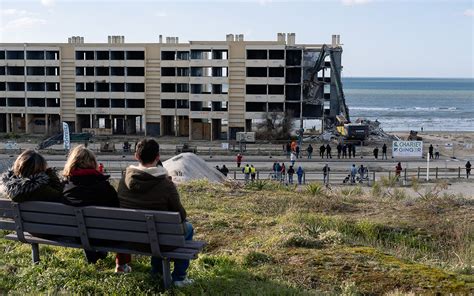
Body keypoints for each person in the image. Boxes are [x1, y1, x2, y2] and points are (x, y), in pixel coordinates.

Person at [117, 139, 194, 287]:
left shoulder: (123, 180)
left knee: (157, 230)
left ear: (136, 156)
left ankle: (157, 272)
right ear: (158, 157)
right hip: (158, 240)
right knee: (188, 228)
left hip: (129, 239)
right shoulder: (166, 185)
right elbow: (181, 215)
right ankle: (179, 277)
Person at [62, 145, 121, 266]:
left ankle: (93, 256)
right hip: (104, 237)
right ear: (93, 163)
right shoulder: (105, 188)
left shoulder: (66, 188)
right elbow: (117, 210)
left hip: (75, 235)